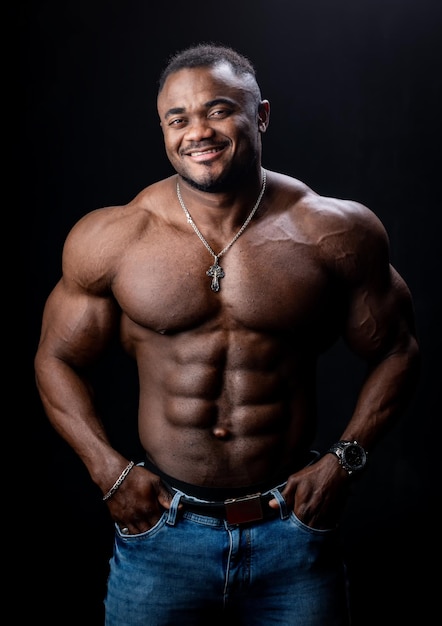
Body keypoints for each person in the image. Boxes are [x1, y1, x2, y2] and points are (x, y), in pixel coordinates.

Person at [34, 42, 420, 625]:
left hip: (292, 531)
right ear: (162, 129)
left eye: (218, 110)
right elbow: (55, 359)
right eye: (178, 118)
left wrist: (345, 460)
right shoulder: (112, 238)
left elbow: (398, 349)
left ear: (260, 115)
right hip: (161, 531)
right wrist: (106, 470)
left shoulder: (331, 231)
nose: (198, 132)